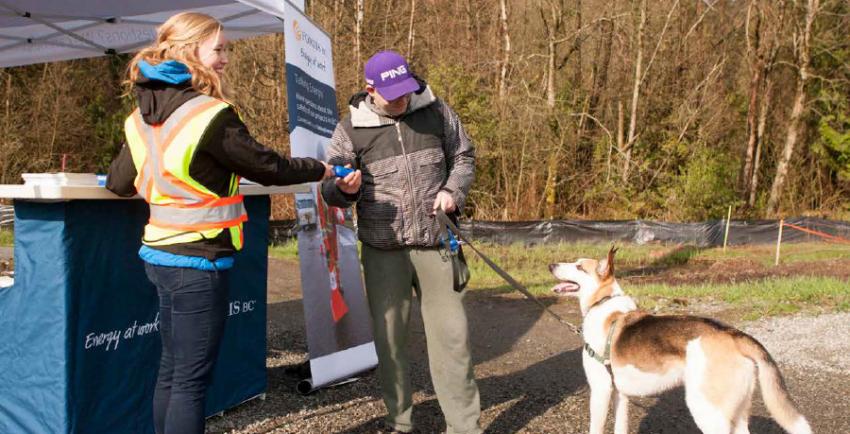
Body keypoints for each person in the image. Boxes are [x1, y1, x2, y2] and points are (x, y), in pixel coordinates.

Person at [106, 12, 334, 434]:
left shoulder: (138, 118)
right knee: (190, 382)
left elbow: (119, 183)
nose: (226, 58)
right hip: (200, 260)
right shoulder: (210, 114)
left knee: (172, 373)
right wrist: (321, 169)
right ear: (192, 51)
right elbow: (269, 167)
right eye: (220, 49)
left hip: (159, 256)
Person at [322, 50, 480, 434]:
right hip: (383, 250)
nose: (400, 100)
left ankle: (465, 427)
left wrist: (452, 192)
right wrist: (345, 190)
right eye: (391, 94)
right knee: (390, 342)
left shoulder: (438, 112)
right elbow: (329, 189)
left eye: (405, 91)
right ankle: (400, 422)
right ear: (369, 88)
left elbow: (464, 156)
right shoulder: (349, 129)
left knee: (453, 340)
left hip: (438, 244)